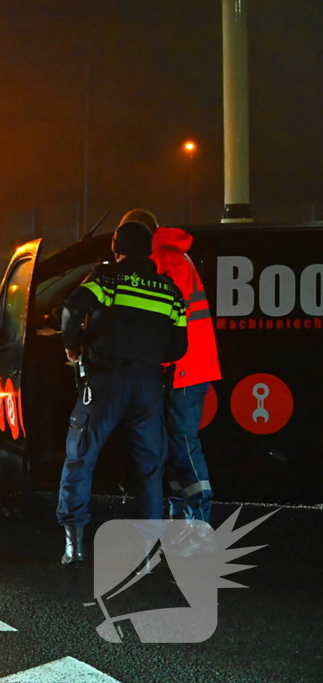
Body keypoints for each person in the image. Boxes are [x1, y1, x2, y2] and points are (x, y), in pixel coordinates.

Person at [57, 221, 188, 565]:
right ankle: (147, 550)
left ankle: (74, 544)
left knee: (81, 456)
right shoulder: (170, 291)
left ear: (116, 249)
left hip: (105, 382)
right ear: (149, 252)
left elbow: (72, 307)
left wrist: (73, 347)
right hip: (147, 386)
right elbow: (178, 348)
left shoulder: (107, 279)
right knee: (148, 467)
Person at [122, 208, 220, 532]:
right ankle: (184, 515)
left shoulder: (166, 259)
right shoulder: (173, 257)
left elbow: (156, 316)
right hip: (185, 367)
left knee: (182, 443)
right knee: (175, 445)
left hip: (184, 369)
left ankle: (197, 519)